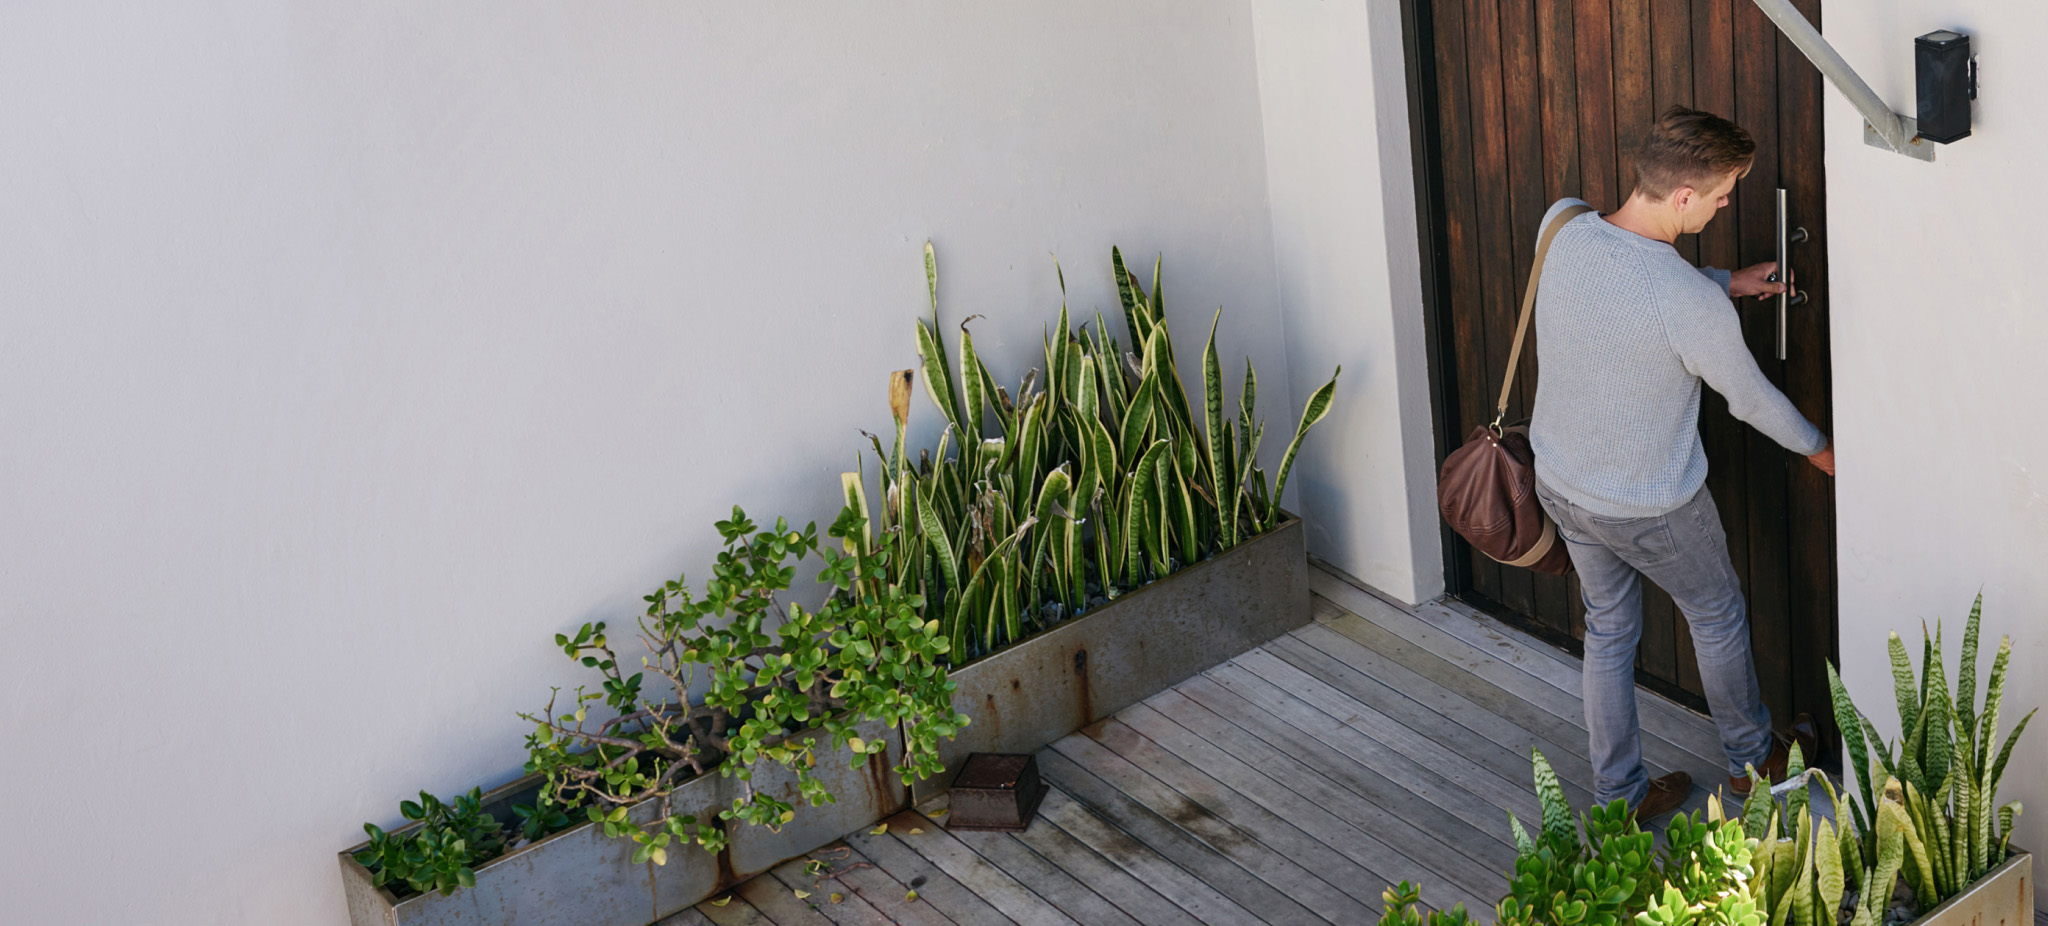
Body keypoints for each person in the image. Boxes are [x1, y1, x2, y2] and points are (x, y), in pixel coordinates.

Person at [1529, 106, 1829, 821]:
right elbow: (1753, 401)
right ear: (1685, 196)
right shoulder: (1685, 301)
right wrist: (1823, 451)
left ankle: (1618, 800)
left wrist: (1724, 280)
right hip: (1652, 506)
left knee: (1607, 631)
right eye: (1725, 192)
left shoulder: (1561, 221)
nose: (1730, 203)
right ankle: (1750, 764)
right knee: (1717, 613)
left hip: (1563, 485)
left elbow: (1619, 295)